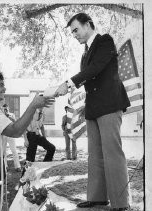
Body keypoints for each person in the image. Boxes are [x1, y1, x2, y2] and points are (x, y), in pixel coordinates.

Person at [55, 13, 131, 211]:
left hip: (109, 104)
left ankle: (121, 203)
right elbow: (89, 78)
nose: (74, 35)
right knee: (95, 154)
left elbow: (96, 69)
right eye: (72, 32)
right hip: (93, 108)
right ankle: (97, 198)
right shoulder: (84, 53)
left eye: (76, 30)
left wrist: (68, 83)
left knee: (112, 152)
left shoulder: (105, 41)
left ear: (88, 24)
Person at [0, 71, 54, 211]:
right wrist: (32, 106)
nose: (4, 88)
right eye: (0, 85)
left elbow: (16, 127)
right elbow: (15, 131)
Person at [2, 103, 21, 172]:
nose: (5, 109)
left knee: (14, 150)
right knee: (3, 151)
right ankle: (5, 166)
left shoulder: (12, 114)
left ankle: (17, 166)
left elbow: (15, 123)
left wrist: (10, 117)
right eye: (4, 108)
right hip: (3, 134)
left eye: (6, 108)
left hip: (11, 134)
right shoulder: (0, 115)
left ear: (8, 108)